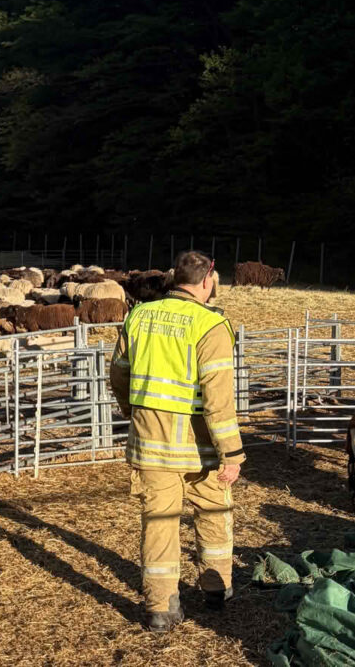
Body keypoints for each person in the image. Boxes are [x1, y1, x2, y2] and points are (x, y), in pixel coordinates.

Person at [108, 250, 243, 632]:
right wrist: (231, 453)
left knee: (159, 522)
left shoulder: (139, 315)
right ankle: (216, 589)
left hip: (150, 445)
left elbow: (119, 376)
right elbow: (218, 401)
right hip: (199, 450)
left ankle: (160, 608)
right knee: (213, 515)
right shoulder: (210, 325)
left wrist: (135, 414)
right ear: (207, 281)